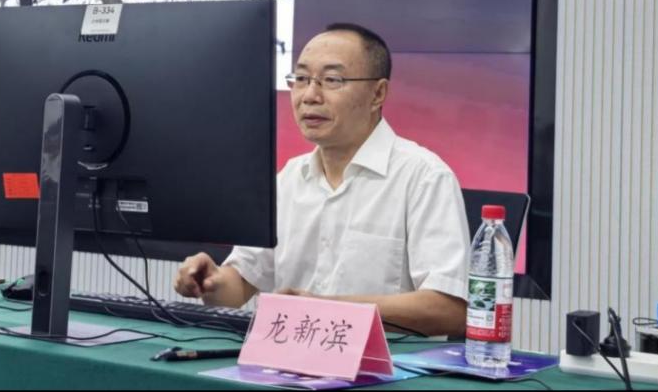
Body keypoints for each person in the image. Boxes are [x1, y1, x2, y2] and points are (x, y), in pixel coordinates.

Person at [173, 24, 470, 337]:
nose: (310, 96)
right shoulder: (289, 178)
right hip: (286, 359)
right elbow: (238, 287)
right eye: (301, 79)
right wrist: (210, 281)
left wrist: (326, 309)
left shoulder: (423, 177)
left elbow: (450, 310)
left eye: (332, 80)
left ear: (378, 94)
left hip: (387, 364)